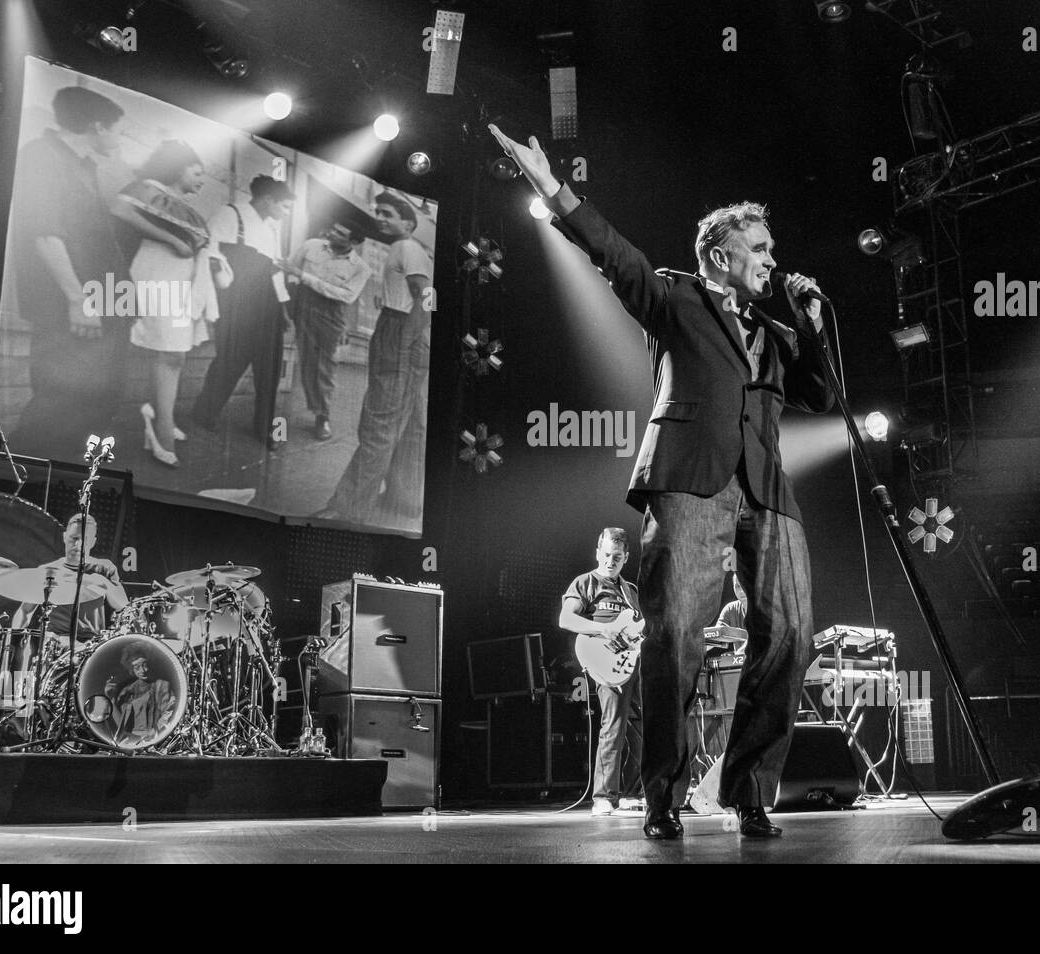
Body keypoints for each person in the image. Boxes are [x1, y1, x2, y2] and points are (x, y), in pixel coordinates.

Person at [490, 124, 836, 839]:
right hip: (688, 477)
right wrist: (550, 187)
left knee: (793, 635)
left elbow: (823, 399)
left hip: (767, 486)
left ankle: (747, 790)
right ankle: (661, 794)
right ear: (720, 253)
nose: (773, 258)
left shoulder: (775, 332)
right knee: (676, 631)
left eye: (772, 248)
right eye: (761, 248)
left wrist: (808, 322)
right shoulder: (675, 296)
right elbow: (612, 253)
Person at [11, 86, 133, 460]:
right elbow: (45, 233)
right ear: (98, 126)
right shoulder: (41, 156)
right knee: (57, 405)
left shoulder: (84, 164)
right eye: (118, 129)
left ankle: (68, 486)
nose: (119, 137)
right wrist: (79, 301)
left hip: (101, 304)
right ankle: (9, 486)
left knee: (94, 402)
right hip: (70, 307)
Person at [111, 139, 227, 467]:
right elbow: (120, 210)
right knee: (172, 352)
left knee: (173, 350)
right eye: (197, 171)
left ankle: (158, 413)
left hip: (181, 276)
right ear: (178, 167)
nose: (202, 179)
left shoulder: (179, 202)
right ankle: (161, 426)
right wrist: (172, 238)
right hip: (156, 272)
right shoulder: (149, 188)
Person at [320, 193, 432, 526]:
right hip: (400, 329)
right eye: (377, 212)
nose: (379, 218)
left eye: (387, 214)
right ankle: (406, 501)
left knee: (379, 427)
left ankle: (346, 511)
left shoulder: (408, 248)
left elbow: (427, 300)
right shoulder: (406, 250)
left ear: (407, 223)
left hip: (400, 331)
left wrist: (404, 341)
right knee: (411, 425)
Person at [190, 174, 294, 449]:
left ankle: (265, 428)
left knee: (269, 366)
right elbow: (209, 255)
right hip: (236, 301)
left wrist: (282, 308)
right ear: (268, 199)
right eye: (283, 206)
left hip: (267, 302)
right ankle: (204, 413)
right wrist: (213, 302)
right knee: (230, 360)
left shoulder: (271, 229)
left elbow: (274, 272)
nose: (285, 213)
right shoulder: (229, 214)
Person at [558, 528, 645, 816]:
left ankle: (630, 793)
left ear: (626, 558)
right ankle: (603, 797)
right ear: (598, 552)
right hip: (604, 659)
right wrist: (602, 628)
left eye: (617, 557)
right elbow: (566, 619)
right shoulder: (585, 582)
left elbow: (640, 627)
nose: (611, 561)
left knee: (640, 726)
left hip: (633, 661)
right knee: (614, 724)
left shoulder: (630, 590)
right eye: (606, 554)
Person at [286, 222, 368, 441]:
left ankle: (322, 416)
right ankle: (281, 414)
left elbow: (345, 296)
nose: (332, 233)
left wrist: (305, 277)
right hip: (299, 304)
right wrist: (289, 302)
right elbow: (290, 270)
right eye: (334, 228)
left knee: (324, 368)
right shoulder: (311, 245)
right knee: (302, 362)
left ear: (354, 242)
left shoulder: (360, 268)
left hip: (330, 315)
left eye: (341, 233)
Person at [18, 513, 130, 643]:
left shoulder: (104, 568)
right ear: (65, 537)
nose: (77, 544)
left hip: (91, 645)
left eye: (84, 540)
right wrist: (12, 643)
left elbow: (124, 607)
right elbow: (25, 611)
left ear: (93, 542)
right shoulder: (48, 570)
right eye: (74, 538)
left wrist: (101, 583)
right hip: (54, 643)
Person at [105, 646, 176, 746]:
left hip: (155, 741)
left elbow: (169, 713)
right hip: (130, 741)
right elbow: (121, 725)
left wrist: (154, 732)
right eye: (137, 667)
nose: (143, 670)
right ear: (131, 669)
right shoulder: (126, 691)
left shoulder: (163, 686)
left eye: (145, 665)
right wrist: (111, 699)